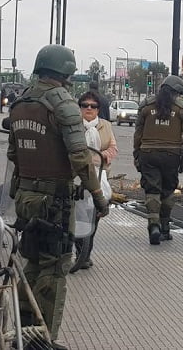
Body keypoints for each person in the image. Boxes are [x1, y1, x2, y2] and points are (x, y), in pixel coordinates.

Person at [6, 44, 108, 347]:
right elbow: (80, 157)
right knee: (54, 269)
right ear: (66, 72)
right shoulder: (63, 103)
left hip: (25, 199)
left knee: (33, 263)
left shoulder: (21, 102)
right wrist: (98, 196)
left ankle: (23, 336)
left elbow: (13, 153)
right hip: (54, 203)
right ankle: (43, 340)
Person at [133, 75, 183, 245]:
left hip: (148, 153)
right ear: (177, 92)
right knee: (168, 191)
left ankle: (153, 225)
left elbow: (138, 134)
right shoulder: (182, 108)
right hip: (172, 156)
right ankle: (165, 228)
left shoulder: (146, 106)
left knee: (152, 190)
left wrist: (137, 154)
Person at [74, 90, 118, 270]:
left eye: (93, 106)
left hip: (99, 177)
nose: (89, 109)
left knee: (94, 216)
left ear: (98, 109)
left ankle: (86, 254)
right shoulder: (74, 125)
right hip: (77, 177)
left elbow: (113, 148)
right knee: (78, 216)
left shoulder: (105, 126)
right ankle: (79, 253)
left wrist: (101, 156)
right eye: (85, 105)